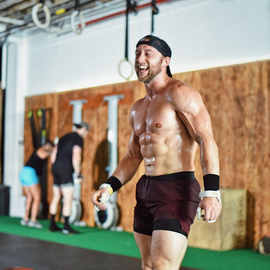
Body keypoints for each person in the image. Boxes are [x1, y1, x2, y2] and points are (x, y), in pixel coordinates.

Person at [92, 35, 222, 269]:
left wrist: (212, 191)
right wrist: (109, 186)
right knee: (149, 265)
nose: (140, 59)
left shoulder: (180, 94)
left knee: (163, 266)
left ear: (165, 61)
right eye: (137, 53)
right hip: (146, 189)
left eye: (148, 53)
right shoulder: (138, 108)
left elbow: (206, 139)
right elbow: (133, 156)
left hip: (176, 188)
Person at [49, 122, 89, 234]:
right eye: (86, 132)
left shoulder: (63, 137)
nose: (86, 135)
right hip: (65, 168)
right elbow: (76, 155)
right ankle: (66, 226)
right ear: (84, 129)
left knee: (56, 196)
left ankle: (52, 225)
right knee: (68, 198)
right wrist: (78, 173)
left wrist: (56, 166)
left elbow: (53, 155)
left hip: (55, 167)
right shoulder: (78, 138)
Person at [19, 140, 54, 228]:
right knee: (37, 197)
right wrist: (54, 150)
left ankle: (26, 218)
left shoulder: (39, 150)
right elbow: (46, 154)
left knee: (30, 197)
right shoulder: (41, 150)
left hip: (23, 172)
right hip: (29, 173)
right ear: (48, 146)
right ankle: (33, 220)